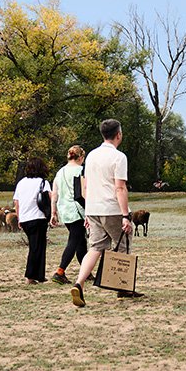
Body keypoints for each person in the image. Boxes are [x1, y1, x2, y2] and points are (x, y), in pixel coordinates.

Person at [69, 119, 139, 307]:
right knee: (123, 245)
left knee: (95, 248)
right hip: (112, 209)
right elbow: (120, 188)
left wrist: (87, 213)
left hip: (93, 208)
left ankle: (79, 283)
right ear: (119, 134)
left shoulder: (91, 155)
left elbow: (87, 185)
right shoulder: (119, 157)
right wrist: (125, 215)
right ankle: (122, 287)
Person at [50, 145, 87, 285]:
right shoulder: (81, 170)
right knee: (74, 241)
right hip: (77, 210)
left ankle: (86, 271)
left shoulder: (60, 172)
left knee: (80, 241)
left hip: (64, 210)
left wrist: (53, 212)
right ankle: (60, 271)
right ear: (81, 157)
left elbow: (55, 194)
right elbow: (85, 190)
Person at [12, 156, 51, 284]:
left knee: (37, 246)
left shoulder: (21, 183)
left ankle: (39, 275)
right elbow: (50, 199)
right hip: (38, 217)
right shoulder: (43, 183)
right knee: (36, 247)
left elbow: (16, 202)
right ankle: (30, 276)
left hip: (25, 218)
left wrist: (19, 218)